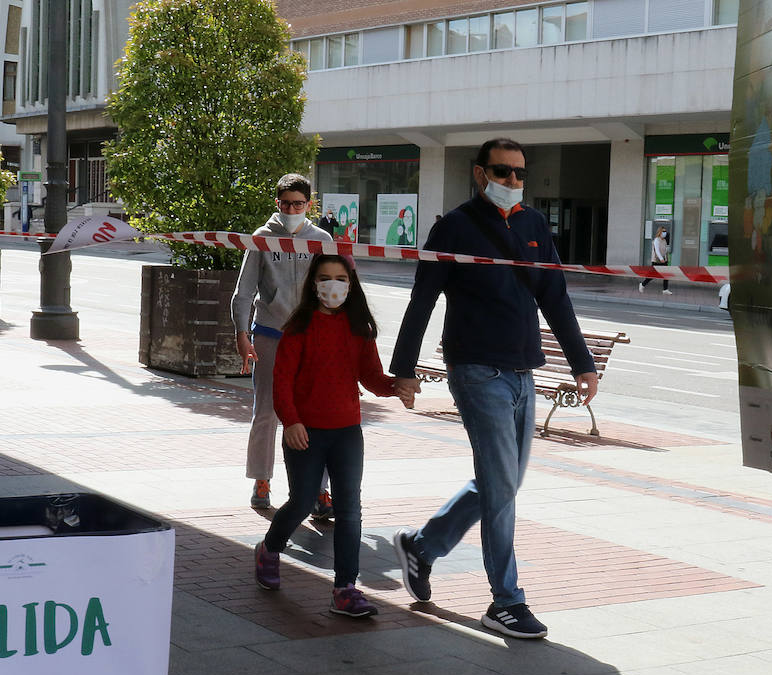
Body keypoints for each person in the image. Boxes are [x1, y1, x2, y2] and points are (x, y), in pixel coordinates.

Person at [388, 137, 598, 639]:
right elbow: (422, 302)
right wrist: (404, 369)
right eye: (503, 173)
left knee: (502, 484)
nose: (513, 182)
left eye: (520, 174)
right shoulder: (454, 227)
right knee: (502, 488)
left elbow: (555, 297)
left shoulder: (533, 225)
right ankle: (506, 601)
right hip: (477, 370)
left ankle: (422, 545)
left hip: (524, 370)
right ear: (480, 174)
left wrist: (581, 363)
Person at [254, 253, 405, 616]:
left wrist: (395, 387)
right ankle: (269, 549)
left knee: (350, 510)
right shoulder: (299, 326)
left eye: (340, 278)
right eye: (325, 278)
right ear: (314, 284)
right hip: (304, 432)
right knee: (302, 502)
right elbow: (282, 380)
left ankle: (345, 588)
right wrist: (291, 422)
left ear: (350, 285)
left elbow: (370, 376)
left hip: (347, 432)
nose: (333, 285)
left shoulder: (359, 328)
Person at [231, 173, 335, 515]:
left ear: (309, 205)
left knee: (315, 415)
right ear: (278, 203)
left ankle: (319, 490)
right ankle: (261, 480)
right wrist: (242, 334)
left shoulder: (320, 239)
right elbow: (243, 293)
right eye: (286, 203)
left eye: (299, 203)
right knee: (267, 412)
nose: (292, 209)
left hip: (311, 339)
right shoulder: (262, 239)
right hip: (271, 335)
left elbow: (335, 288)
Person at [639, 226, 671, 294]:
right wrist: (661, 258)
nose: (664, 233)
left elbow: (665, 250)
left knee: (666, 275)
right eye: (663, 231)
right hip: (656, 260)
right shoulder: (656, 240)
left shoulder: (664, 240)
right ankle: (642, 284)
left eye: (665, 231)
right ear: (660, 232)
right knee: (652, 275)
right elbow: (657, 251)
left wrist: (665, 258)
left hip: (663, 260)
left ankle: (665, 289)